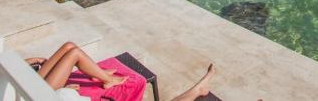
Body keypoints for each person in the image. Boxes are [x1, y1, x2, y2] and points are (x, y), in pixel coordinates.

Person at [27, 42, 216, 101]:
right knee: (74, 53)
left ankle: (98, 74)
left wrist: (30, 61)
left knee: (69, 47)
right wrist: (66, 91)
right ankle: (198, 90)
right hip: (41, 95)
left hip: (27, 88)